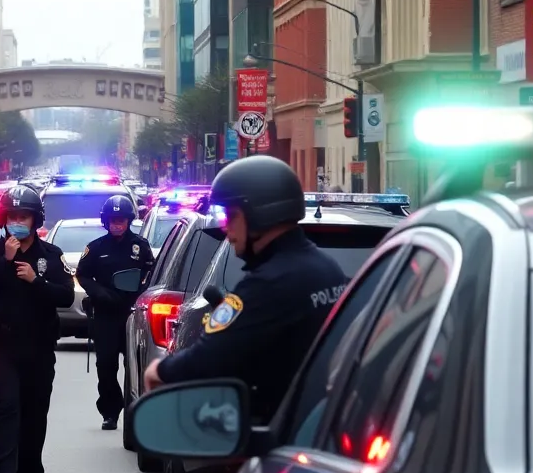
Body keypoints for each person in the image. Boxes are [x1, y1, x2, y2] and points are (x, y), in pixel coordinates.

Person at [143, 155, 349, 423]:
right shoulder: (327, 268)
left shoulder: (270, 283)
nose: (226, 228)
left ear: (258, 214)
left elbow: (209, 358)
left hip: (284, 431)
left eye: (231, 216)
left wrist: (161, 371)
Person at [0, 185, 74, 473]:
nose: (17, 222)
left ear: (34, 220)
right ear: (3, 219)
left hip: (38, 348)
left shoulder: (50, 255)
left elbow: (66, 295)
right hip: (0, 346)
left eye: (23, 216)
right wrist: (6, 261)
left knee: (34, 412)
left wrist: (35, 281)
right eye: (12, 216)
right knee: (5, 408)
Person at [74, 194, 155, 430]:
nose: (117, 225)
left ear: (129, 221)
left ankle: (134, 409)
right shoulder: (95, 248)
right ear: (106, 222)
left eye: (121, 220)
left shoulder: (140, 246)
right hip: (105, 314)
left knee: (134, 364)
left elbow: (151, 274)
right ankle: (110, 411)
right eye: (113, 220)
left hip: (133, 314)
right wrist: (100, 293)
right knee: (106, 364)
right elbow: (83, 275)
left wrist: (140, 293)